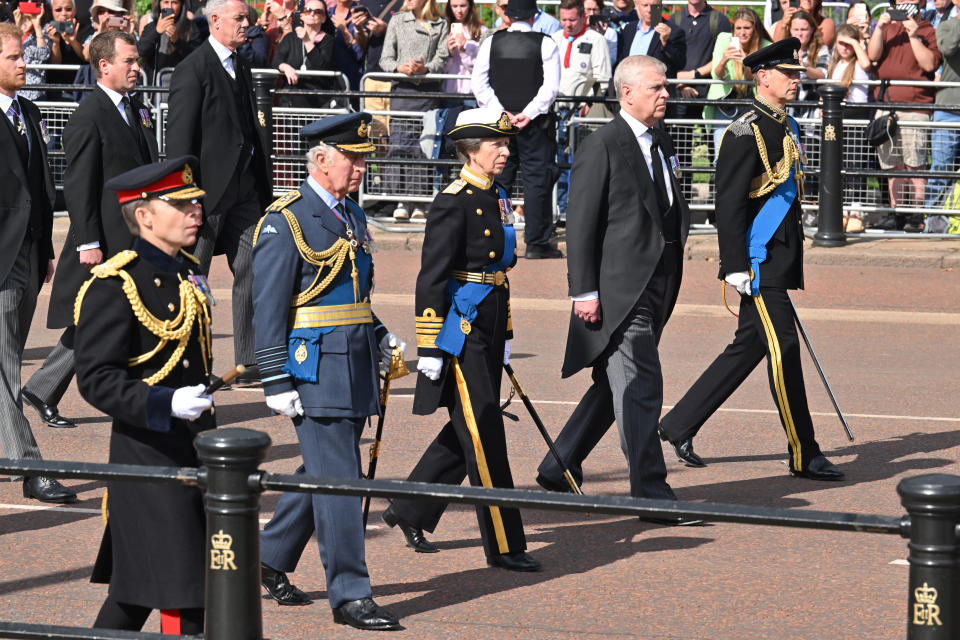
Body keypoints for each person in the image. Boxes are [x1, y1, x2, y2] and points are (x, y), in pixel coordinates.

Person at [657, 39, 844, 482]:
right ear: (762, 76)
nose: (797, 79)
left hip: (780, 254)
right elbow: (729, 204)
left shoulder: (786, 124)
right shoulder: (745, 131)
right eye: (788, 73)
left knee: (750, 346)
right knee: (784, 348)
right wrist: (735, 263)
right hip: (758, 259)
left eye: (797, 73)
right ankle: (803, 451)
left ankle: (678, 424)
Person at [253, 113, 402, 631]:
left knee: (322, 470)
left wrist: (381, 336)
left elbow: (352, 293)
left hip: (353, 361)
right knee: (341, 480)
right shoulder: (286, 219)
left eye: (363, 158)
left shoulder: (351, 216)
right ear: (320, 159)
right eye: (352, 158)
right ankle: (350, 593)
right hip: (314, 369)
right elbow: (267, 307)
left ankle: (267, 557)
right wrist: (274, 379)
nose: (361, 167)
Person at [380, 107, 543, 571]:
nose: (505, 152)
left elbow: (498, 273)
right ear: (471, 150)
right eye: (497, 145)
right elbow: (430, 278)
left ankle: (409, 508)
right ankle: (506, 542)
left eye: (506, 145)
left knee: (472, 421)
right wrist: (429, 345)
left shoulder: (499, 195)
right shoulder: (453, 199)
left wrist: (506, 331)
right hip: (460, 327)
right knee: (485, 427)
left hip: (489, 318)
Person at [535, 56, 694, 521]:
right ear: (627, 93)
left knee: (615, 385)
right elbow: (581, 223)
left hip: (659, 280)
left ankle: (558, 465)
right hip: (620, 290)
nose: (665, 95)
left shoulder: (660, 139)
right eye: (656, 88)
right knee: (642, 386)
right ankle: (652, 495)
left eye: (665, 87)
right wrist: (583, 290)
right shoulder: (603, 144)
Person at [74, 156, 214, 635]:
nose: (196, 210)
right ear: (145, 215)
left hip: (194, 450)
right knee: (181, 589)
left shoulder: (187, 271)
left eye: (196, 202)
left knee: (140, 592)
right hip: (148, 455)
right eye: (181, 204)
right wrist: (165, 403)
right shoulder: (116, 283)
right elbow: (95, 377)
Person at [24, 31, 158, 435]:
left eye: (137, 61)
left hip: (133, 235)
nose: (138, 69)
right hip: (104, 240)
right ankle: (50, 388)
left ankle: (45, 388)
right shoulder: (90, 113)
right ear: (104, 66)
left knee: (105, 318)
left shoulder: (132, 108)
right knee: (95, 319)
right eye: (130, 62)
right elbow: (80, 184)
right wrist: (88, 242)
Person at [167, 0, 272, 381]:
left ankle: (249, 361)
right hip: (205, 195)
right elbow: (179, 141)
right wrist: (184, 196)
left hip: (244, 191)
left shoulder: (241, 65)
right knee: (193, 278)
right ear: (215, 21)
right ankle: (188, 364)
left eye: (248, 18)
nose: (247, 24)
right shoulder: (192, 70)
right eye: (240, 18)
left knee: (253, 268)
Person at [0, 23, 74, 504]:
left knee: (8, 357)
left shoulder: (28, 109)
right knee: (3, 368)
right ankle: (28, 465)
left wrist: (45, 246)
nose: (24, 63)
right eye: (13, 57)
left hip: (26, 251)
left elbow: (41, 188)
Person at [472, 0, 561, 258]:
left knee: (498, 180)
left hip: (499, 125)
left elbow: (479, 85)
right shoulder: (546, 42)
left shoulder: (491, 43)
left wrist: (503, 113)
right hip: (535, 125)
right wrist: (528, 113)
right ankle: (536, 243)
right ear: (534, 15)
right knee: (537, 183)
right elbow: (550, 88)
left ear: (508, 15)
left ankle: (491, 239)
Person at [867, 0, 941, 232]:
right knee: (891, 164)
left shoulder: (927, 28)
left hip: (915, 107)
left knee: (915, 163)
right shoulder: (886, 26)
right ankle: (897, 212)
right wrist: (879, 28)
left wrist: (913, 36)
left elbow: (929, 64)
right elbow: (872, 56)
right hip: (887, 104)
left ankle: (916, 214)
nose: (903, 2)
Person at [379, 0, 450, 221]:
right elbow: (385, 59)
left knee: (423, 144)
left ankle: (419, 200)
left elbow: (442, 57)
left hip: (427, 92)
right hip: (402, 90)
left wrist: (426, 69)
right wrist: (399, 68)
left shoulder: (441, 23)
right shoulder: (397, 20)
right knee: (400, 143)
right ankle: (400, 199)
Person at [552, 0, 611, 217]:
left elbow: (603, 78)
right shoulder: (555, 39)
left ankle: (580, 212)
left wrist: (589, 102)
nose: (567, 24)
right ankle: (561, 209)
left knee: (581, 162)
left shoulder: (596, 40)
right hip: (558, 110)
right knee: (559, 161)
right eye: (564, 19)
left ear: (583, 17)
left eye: (572, 20)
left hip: (582, 112)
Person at [668, 0, 731, 192]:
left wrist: (694, 76)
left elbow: (721, 57)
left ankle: (715, 206)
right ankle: (683, 201)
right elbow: (668, 55)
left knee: (716, 151)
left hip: (710, 95)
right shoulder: (675, 18)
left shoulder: (719, 20)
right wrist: (680, 83)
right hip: (679, 93)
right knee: (680, 149)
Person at [704, 8, 770, 160]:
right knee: (721, 153)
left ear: (755, 28)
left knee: (750, 154)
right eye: (738, 28)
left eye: (747, 28)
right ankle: (721, 183)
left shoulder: (765, 45)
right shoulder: (723, 39)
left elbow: (758, 80)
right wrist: (724, 60)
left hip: (753, 105)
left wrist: (745, 64)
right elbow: (716, 74)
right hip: (725, 104)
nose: (742, 33)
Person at [827, 23, 872, 232]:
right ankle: (842, 210)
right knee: (839, 165)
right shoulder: (835, 64)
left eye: (848, 43)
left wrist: (856, 41)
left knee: (856, 165)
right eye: (840, 43)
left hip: (855, 117)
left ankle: (856, 211)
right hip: (837, 118)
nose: (844, 48)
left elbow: (867, 63)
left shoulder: (858, 63)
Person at [925, 0, 960, 232]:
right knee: (940, 169)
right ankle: (932, 224)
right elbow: (949, 47)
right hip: (949, 109)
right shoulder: (947, 25)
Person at [273, 0, 338, 108]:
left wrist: (307, 40)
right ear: (302, 16)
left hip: (318, 103)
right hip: (291, 101)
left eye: (317, 11)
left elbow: (321, 66)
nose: (312, 14)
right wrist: (285, 67)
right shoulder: (290, 38)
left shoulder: (328, 41)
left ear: (324, 18)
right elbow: (276, 60)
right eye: (308, 11)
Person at [137, 0, 204, 84]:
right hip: (154, 87)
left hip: (182, 84)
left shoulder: (191, 28)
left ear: (181, 5)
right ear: (159, 4)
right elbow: (141, 51)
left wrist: (177, 41)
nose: (170, 7)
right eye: (166, 2)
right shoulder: (151, 27)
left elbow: (197, 57)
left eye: (174, 2)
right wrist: (156, 32)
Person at [617, 0, 685, 80]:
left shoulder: (672, 31)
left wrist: (665, 43)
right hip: (630, 86)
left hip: (655, 88)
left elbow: (680, 63)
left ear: (661, 5)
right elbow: (621, 60)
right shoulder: (629, 29)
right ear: (637, 5)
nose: (649, 10)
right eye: (645, 5)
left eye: (654, 6)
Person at [45, 0, 91, 100]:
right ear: (52, 12)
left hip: (81, 88)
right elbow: (54, 64)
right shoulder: (47, 31)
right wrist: (56, 43)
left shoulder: (84, 27)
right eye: (58, 10)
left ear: (75, 11)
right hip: (56, 89)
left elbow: (86, 57)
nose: (64, 13)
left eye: (68, 9)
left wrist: (73, 42)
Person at [443, 0, 486, 97]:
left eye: (463, 6)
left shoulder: (481, 31)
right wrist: (449, 53)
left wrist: (463, 51)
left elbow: (479, 68)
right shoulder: (444, 30)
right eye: (454, 6)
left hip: (471, 92)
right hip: (448, 90)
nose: (459, 10)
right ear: (449, 7)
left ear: (470, 6)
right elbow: (442, 69)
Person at [13, 5, 51, 101]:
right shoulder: (10, 26)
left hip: (35, 93)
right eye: (26, 1)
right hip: (13, 90)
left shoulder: (46, 28)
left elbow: (43, 55)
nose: (29, 3)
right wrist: (17, 26)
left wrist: (37, 25)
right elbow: (9, 51)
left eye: (34, 1)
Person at [583, 0, 619, 67]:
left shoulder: (609, 33)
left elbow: (611, 61)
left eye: (595, 10)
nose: (592, 13)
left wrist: (600, 37)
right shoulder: (576, 31)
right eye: (588, 9)